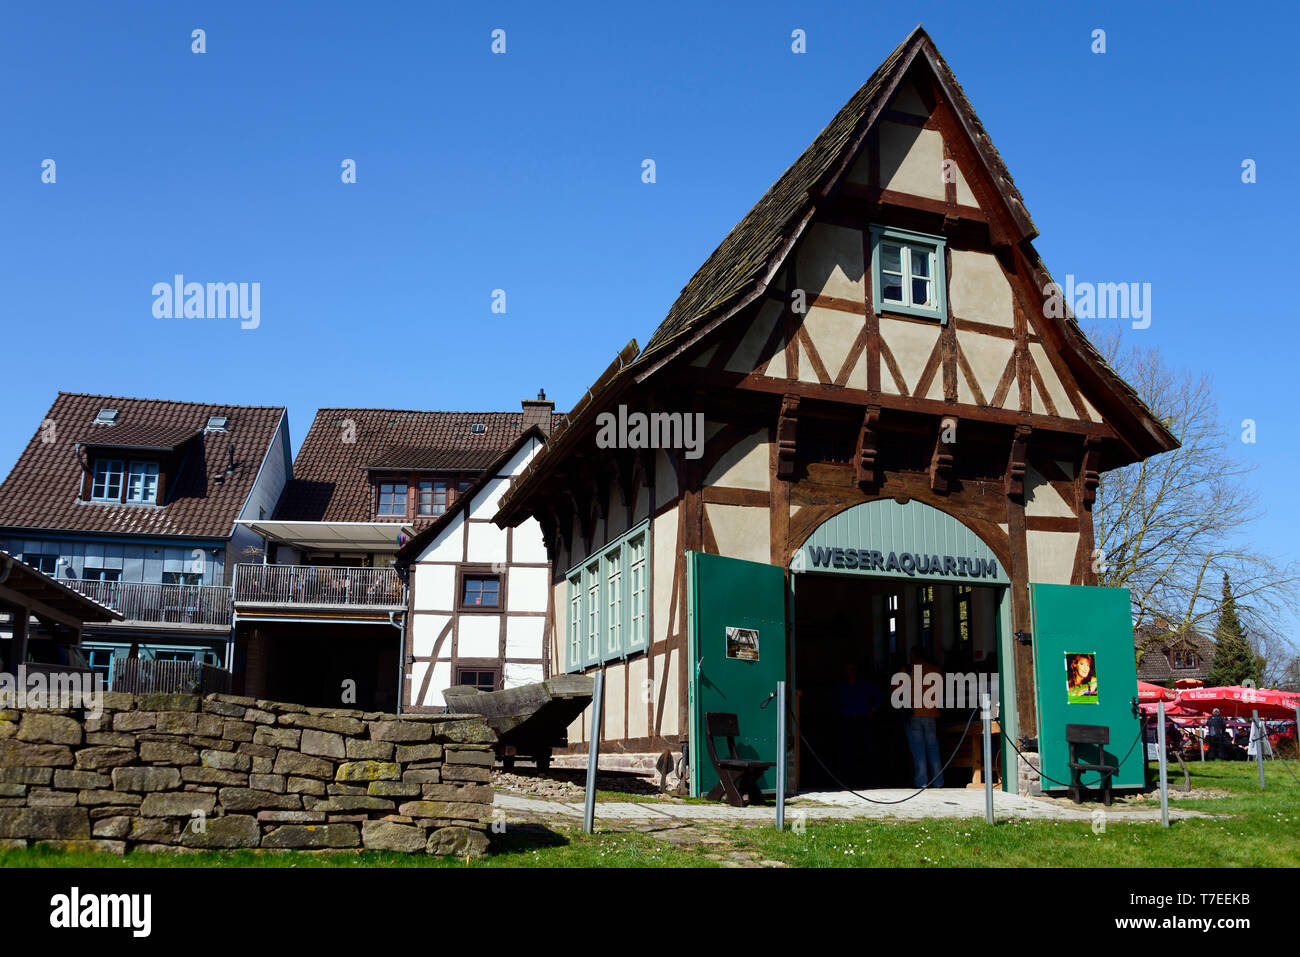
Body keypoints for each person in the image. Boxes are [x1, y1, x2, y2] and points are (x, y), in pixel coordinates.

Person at [831, 662, 883, 785]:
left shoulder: (865, 684)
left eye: (853, 669)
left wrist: (873, 710)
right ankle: (849, 779)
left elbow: (879, 697)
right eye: (849, 669)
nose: (851, 671)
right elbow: (833, 702)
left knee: (866, 749)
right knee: (847, 750)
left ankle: (868, 779)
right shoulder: (841, 686)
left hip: (863, 720)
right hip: (846, 721)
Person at [903, 647, 944, 788]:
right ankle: (938, 781)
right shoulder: (936, 670)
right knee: (933, 748)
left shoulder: (908, 671)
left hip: (915, 713)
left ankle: (922, 782)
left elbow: (895, 691)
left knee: (918, 750)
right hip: (931, 714)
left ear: (913, 656)